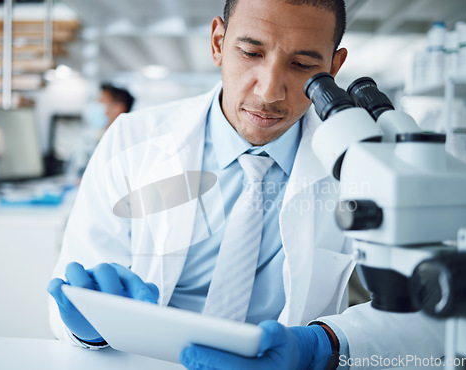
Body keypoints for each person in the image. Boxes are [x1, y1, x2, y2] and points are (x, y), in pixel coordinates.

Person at [47, 0, 444, 369]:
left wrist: (325, 344)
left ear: (333, 68)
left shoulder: (368, 161)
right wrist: (90, 325)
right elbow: (72, 296)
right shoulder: (133, 141)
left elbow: (434, 311)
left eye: (303, 64)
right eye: (251, 53)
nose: (269, 91)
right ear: (219, 42)